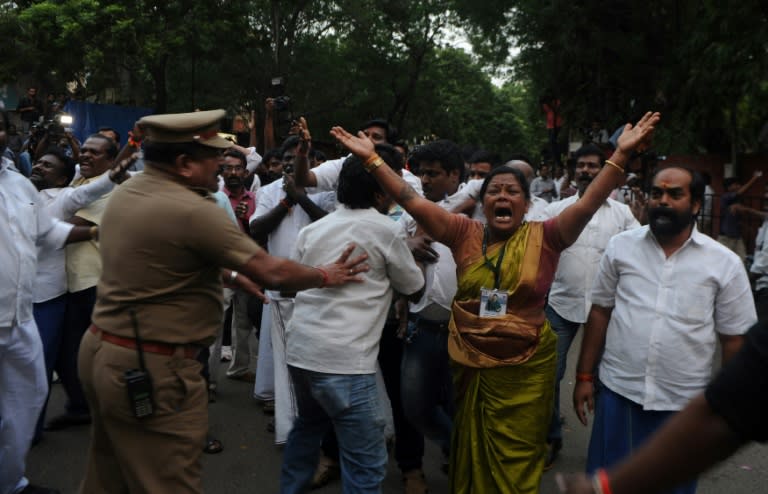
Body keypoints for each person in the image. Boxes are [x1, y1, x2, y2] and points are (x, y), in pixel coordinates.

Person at [329, 111, 661, 493]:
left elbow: (587, 204)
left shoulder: (549, 236)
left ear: (526, 203)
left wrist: (620, 156)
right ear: (483, 201)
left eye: (512, 191)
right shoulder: (463, 232)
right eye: (494, 191)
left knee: (517, 457)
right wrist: (372, 160)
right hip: (472, 365)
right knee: (470, 446)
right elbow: (411, 201)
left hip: (527, 370)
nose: (502, 196)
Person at [76, 109, 368, 493]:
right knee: (169, 478)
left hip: (104, 352)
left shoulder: (130, 191)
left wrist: (231, 276)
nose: (224, 165)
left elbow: (161, 260)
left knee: (108, 473)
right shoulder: (194, 209)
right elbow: (273, 271)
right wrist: (325, 275)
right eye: (213, 157)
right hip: (153, 366)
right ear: (183, 164)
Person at [573, 166, 757, 494]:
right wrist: (584, 376)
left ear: (697, 205)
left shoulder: (724, 263)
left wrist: (728, 409)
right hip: (620, 393)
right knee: (607, 483)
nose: (663, 201)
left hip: (684, 405)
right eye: (657, 193)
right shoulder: (621, 247)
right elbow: (600, 312)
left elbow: (733, 339)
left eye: (675, 194)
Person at [280, 146, 424, 494]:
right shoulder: (385, 231)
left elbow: (293, 285)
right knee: (365, 463)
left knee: (307, 427)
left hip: (301, 355)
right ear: (380, 192)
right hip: (345, 362)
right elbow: (414, 287)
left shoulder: (313, 231)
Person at [0, 110, 96, 494]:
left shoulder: (18, 185)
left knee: (30, 395)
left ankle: (10, 481)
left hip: (20, 315)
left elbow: (46, 230)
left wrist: (98, 231)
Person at [558, 320, 768, 494]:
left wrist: (601, 487)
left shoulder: (726, 269)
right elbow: (725, 413)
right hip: (621, 390)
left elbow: (723, 414)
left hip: (682, 401)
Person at [542, 144, 640, 467]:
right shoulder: (555, 210)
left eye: (592, 166)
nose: (586, 171)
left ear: (606, 171)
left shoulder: (624, 215)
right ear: (574, 170)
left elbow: (638, 257)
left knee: (602, 379)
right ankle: (550, 436)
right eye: (581, 166)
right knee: (548, 376)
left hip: (605, 310)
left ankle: (604, 448)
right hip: (560, 304)